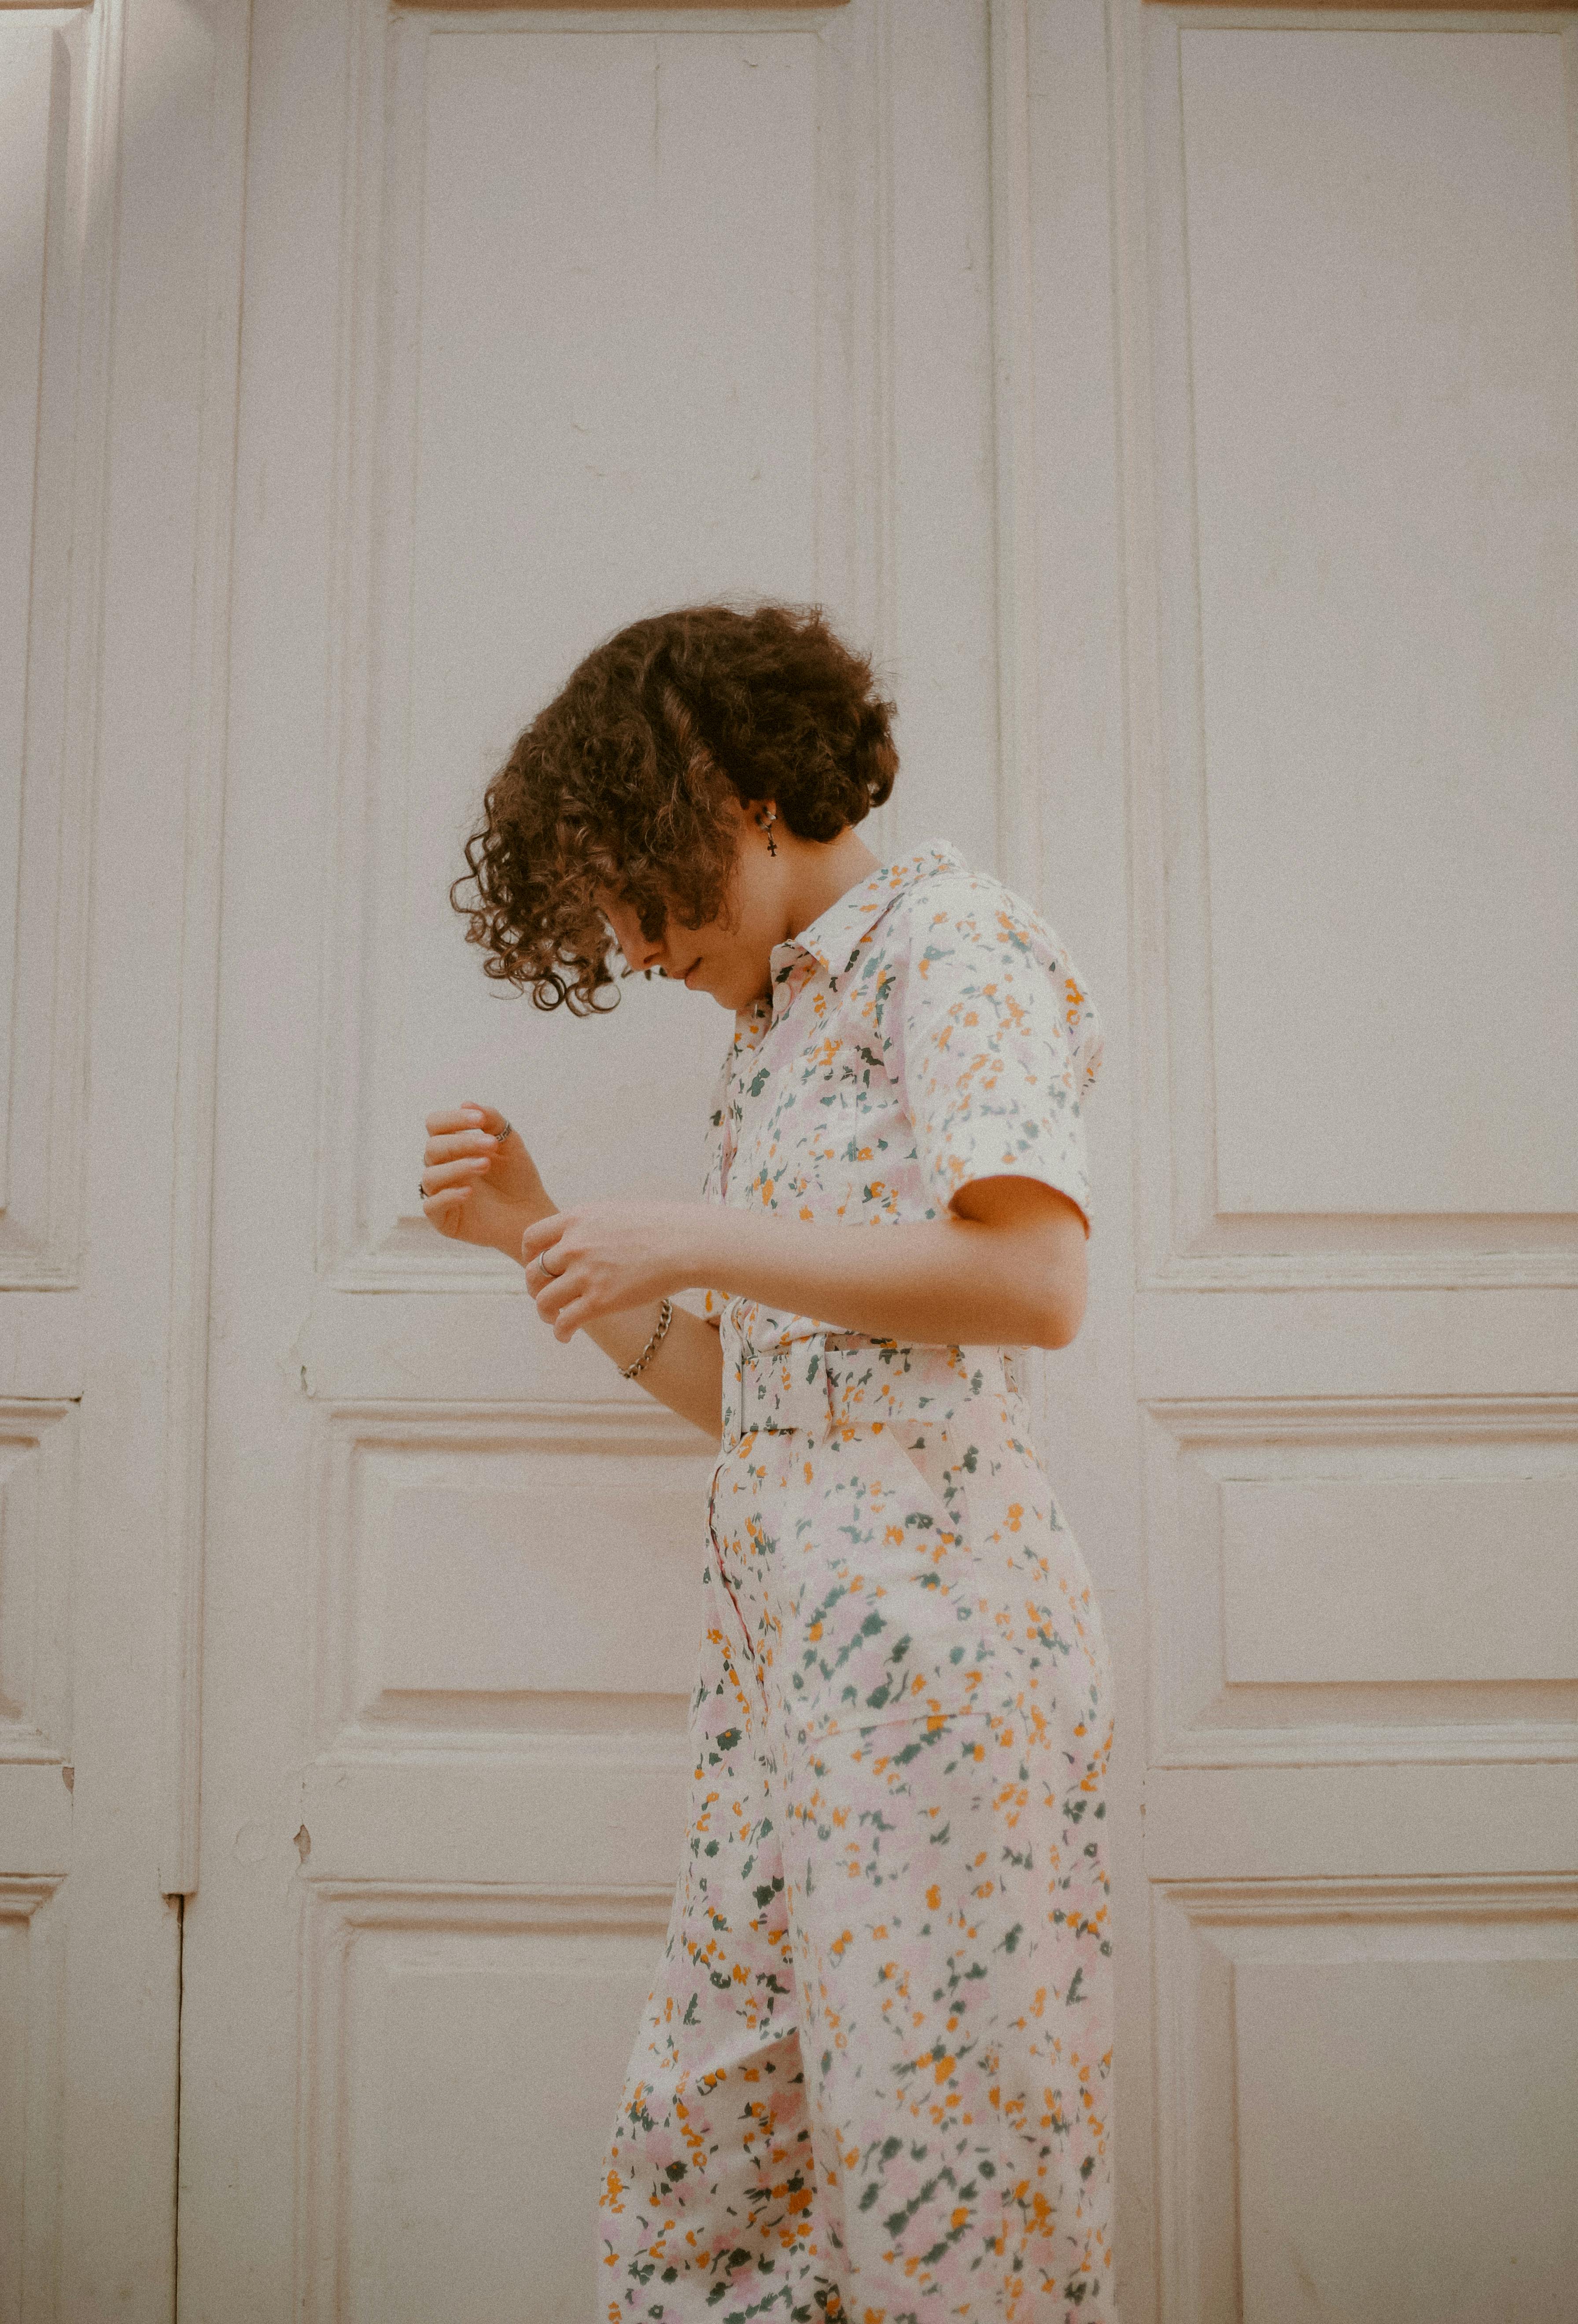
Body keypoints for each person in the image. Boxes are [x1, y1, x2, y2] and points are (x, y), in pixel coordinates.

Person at [420, 601, 1114, 2323]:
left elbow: (1032, 1282)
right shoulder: (771, 1036)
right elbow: (760, 1398)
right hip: (783, 1687)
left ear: (726, 795)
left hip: (936, 1675)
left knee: (942, 2192)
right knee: (716, 2169)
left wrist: (698, 1234)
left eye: (635, 886)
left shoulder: (950, 945)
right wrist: (547, 1239)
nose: (634, 946)